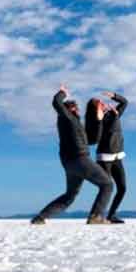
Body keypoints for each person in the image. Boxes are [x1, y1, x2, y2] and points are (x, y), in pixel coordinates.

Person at [31, 85, 114, 225]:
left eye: (77, 108)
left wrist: (99, 120)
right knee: (107, 184)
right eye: (74, 107)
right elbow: (57, 102)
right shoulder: (66, 118)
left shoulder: (75, 124)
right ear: (69, 109)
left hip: (71, 164)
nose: (77, 110)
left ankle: (40, 218)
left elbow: (92, 141)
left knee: (69, 195)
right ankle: (96, 216)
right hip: (80, 159)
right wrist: (63, 93)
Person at [85, 91, 128, 224]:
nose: (103, 104)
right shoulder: (94, 121)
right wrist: (99, 120)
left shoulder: (112, 113)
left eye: (102, 102)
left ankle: (111, 215)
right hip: (104, 158)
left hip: (117, 156)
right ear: (95, 109)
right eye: (99, 103)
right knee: (106, 187)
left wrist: (114, 96)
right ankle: (96, 215)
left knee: (122, 188)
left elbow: (125, 102)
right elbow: (93, 140)